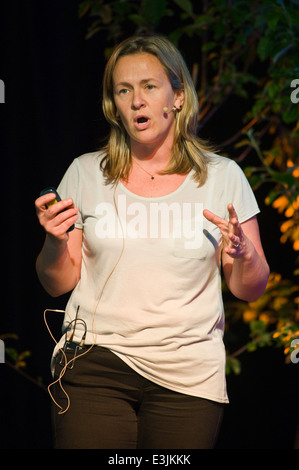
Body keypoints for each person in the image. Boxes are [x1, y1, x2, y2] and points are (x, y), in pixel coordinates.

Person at [35, 34, 270, 449]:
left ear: (177, 97)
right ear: (115, 105)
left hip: (187, 372)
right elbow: (57, 282)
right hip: (94, 362)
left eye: (149, 86)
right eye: (124, 90)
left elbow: (249, 289)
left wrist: (244, 255)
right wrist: (55, 242)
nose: (136, 100)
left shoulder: (223, 176)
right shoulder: (86, 172)